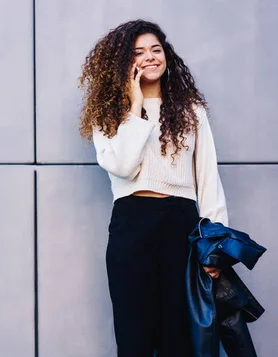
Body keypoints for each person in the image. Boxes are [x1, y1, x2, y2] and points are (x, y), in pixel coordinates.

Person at [78, 19, 228, 357]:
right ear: (123, 62)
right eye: (138, 52)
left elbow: (207, 180)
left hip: (182, 226)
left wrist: (214, 247)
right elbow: (122, 166)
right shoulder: (110, 115)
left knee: (181, 338)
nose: (150, 57)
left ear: (167, 57)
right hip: (132, 225)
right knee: (134, 337)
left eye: (156, 50)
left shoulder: (192, 112)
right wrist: (134, 108)